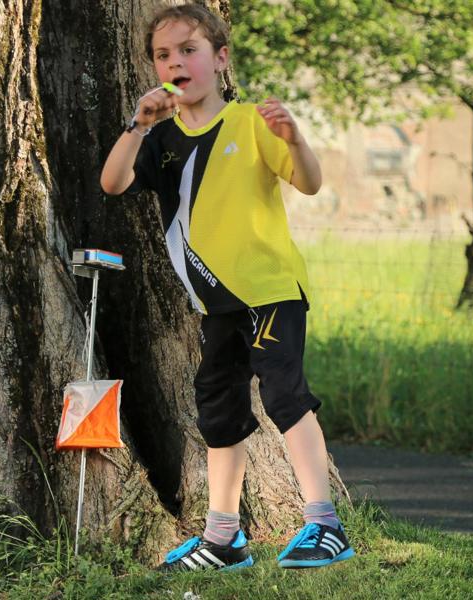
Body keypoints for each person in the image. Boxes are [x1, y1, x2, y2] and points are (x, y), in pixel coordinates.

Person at [99, 3, 354, 572]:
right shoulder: (161, 139)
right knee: (218, 411)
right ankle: (224, 538)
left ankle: (325, 524)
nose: (176, 62)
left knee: (286, 395)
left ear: (219, 59)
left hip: (268, 290)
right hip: (215, 305)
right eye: (163, 55)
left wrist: (297, 139)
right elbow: (112, 183)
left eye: (188, 50)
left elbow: (309, 184)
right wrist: (137, 125)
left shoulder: (250, 122)